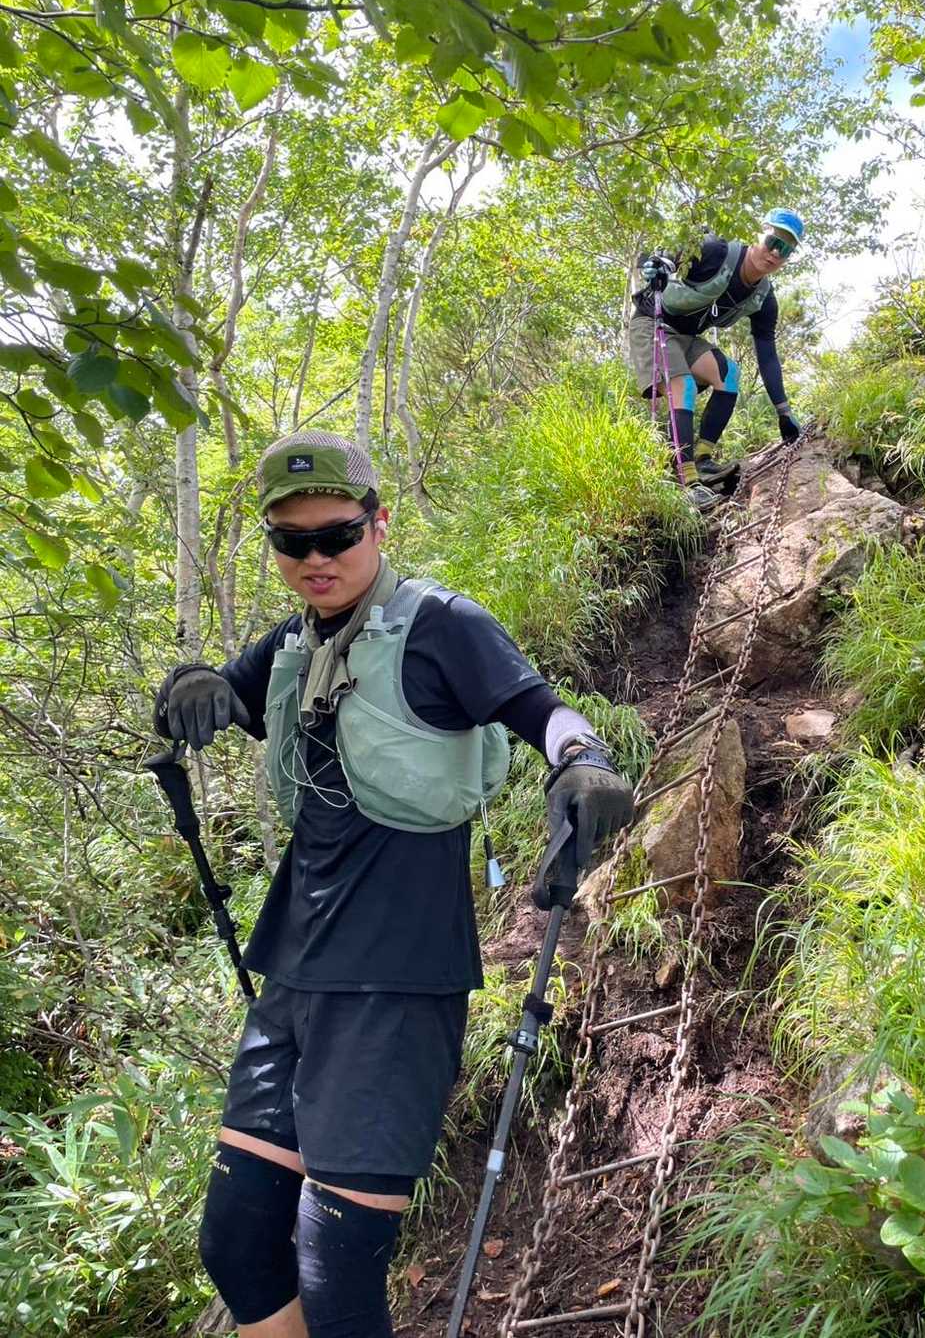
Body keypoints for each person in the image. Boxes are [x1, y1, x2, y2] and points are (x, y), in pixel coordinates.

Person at [152, 430, 634, 1338]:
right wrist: (191, 684)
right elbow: (223, 694)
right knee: (238, 1243)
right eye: (290, 541)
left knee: (336, 1271)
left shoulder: (442, 624)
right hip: (295, 972)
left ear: (378, 523)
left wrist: (583, 758)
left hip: (397, 979)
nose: (315, 558)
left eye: (336, 534)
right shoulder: (294, 641)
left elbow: (542, 711)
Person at [628, 208, 805, 511]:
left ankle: (702, 459)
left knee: (728, 374)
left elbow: (767, 354)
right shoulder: (716, 251)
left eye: (785, 249)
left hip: (686, 337)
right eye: (772, 241)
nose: (776, 253)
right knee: (682, 385)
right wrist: (655, 264)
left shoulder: (764, 299)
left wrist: (783, 412)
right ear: (757, 235)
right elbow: (667, 252)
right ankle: (686, 481)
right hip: (652, 324)